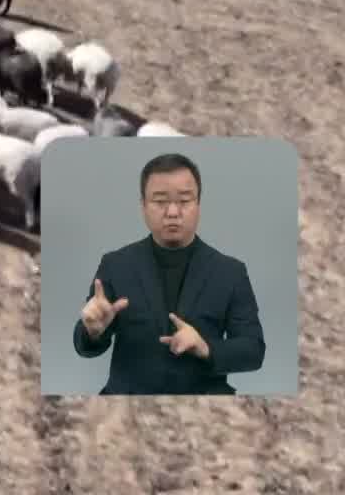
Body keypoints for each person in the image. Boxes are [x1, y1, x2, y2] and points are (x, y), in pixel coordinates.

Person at [73, 152, 266, 395]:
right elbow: (85, 344)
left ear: (198, 204)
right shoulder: (115, 264)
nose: (173, 212)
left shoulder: (231, 272)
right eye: (160, 201)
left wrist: (205, 348)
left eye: (184, 201)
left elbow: (253, 350)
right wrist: (91, 331)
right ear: (143, 205)